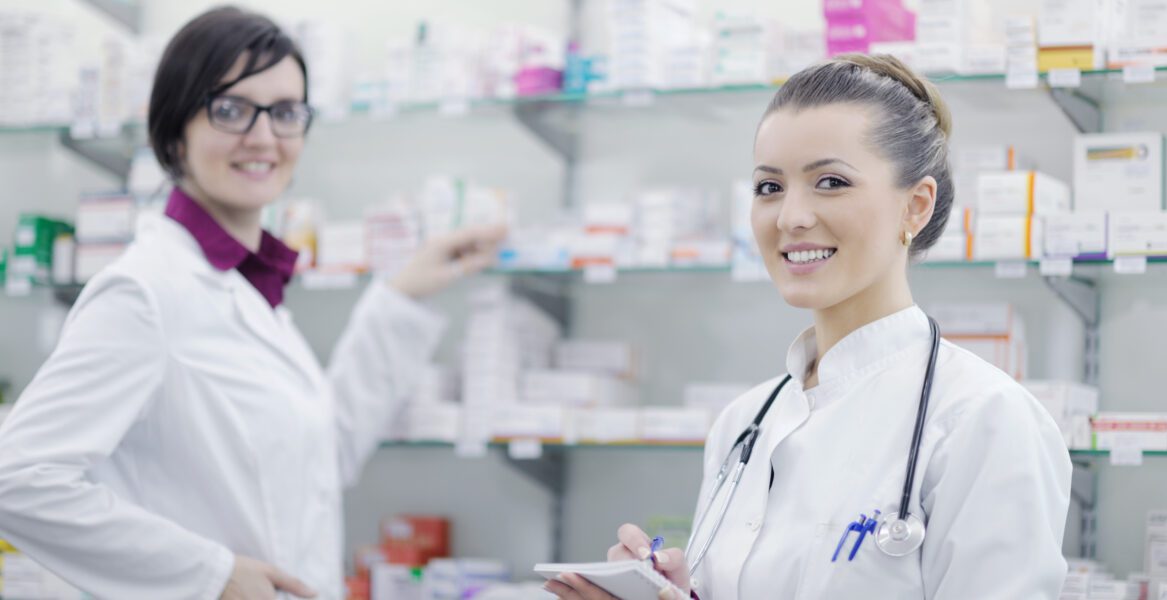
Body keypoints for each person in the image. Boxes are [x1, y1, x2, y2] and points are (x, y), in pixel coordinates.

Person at [0, 7, 505, 599]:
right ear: (173, 131)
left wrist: (401, 295)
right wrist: (210, 576)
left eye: (286, 113)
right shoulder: (145, 292)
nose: (264, 137)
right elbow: (19, 479)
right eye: (231, 109)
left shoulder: (248, 289)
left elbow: (322, 456)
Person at [547, 54, 1072, 600]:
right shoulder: (744, 423)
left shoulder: (983, 420)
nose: (790, 217)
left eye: (829, 182)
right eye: (768, 188)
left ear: (915, 207)